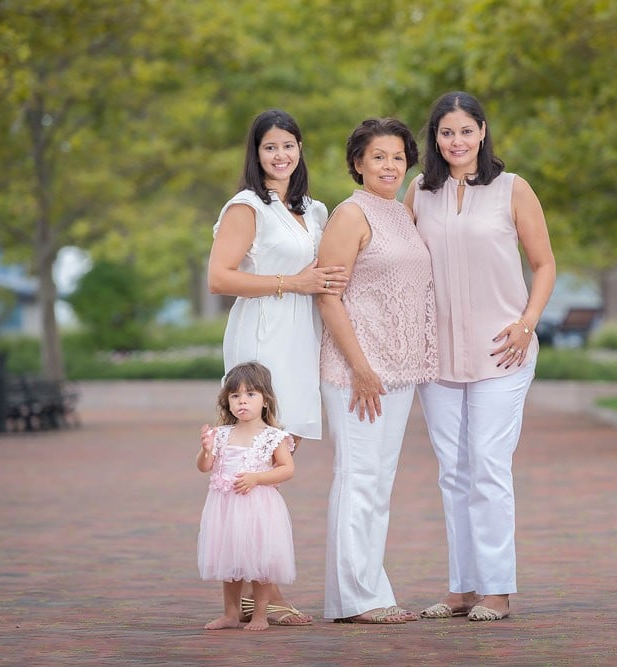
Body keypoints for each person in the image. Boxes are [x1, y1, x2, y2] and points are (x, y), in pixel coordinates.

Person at [404, 91, 556, 622]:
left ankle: (497, 589)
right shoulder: (419, 192)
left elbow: (543, 265)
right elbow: (399, 260)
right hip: (438, 355)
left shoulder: (514, 190)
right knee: (453, 470)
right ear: (435, 138)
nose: (456, 142)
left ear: (483, 132)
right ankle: (462, 586)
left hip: (503, 351)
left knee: (488, 466)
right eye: (446, 133)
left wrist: (527, 323)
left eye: (466, 131)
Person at [207, 108, 348, 625]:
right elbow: (219, 278)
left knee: (276, 465)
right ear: (256, 153)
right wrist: (292, 282)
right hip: (263, 340)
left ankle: (258, 589)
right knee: (251, 463)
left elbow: (329, 275)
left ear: (300, 148)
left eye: (289, 144)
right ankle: (254, 592)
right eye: (270, 147)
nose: (281, 155)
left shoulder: (314, 210)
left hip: (301, 341)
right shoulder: (247, 207)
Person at [316, 118, 439, 624]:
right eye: (377, 157)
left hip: (399, 369)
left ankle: (369, 590)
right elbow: (328, 295)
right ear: (358, 163)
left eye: (396, 157)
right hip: (357, 372)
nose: (389, 165)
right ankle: (355, 599)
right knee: (359, 478)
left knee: (378, 482)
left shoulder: (402, 213)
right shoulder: (350, 214)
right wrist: (362, 368)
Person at [196, 361, 297, 632]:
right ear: (227, 401)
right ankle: (231, 613)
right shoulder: (221, 434)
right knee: (230, 562)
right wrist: (206, 450)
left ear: (265, 400)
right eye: (235, 395)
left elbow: (287, 469)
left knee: (260, 562)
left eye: (250, 394)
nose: (242, 401)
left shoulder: (273, 437)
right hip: (225, 508)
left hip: (258, 507)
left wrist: (257, 478)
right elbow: (205, 467)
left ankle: (260, 614)